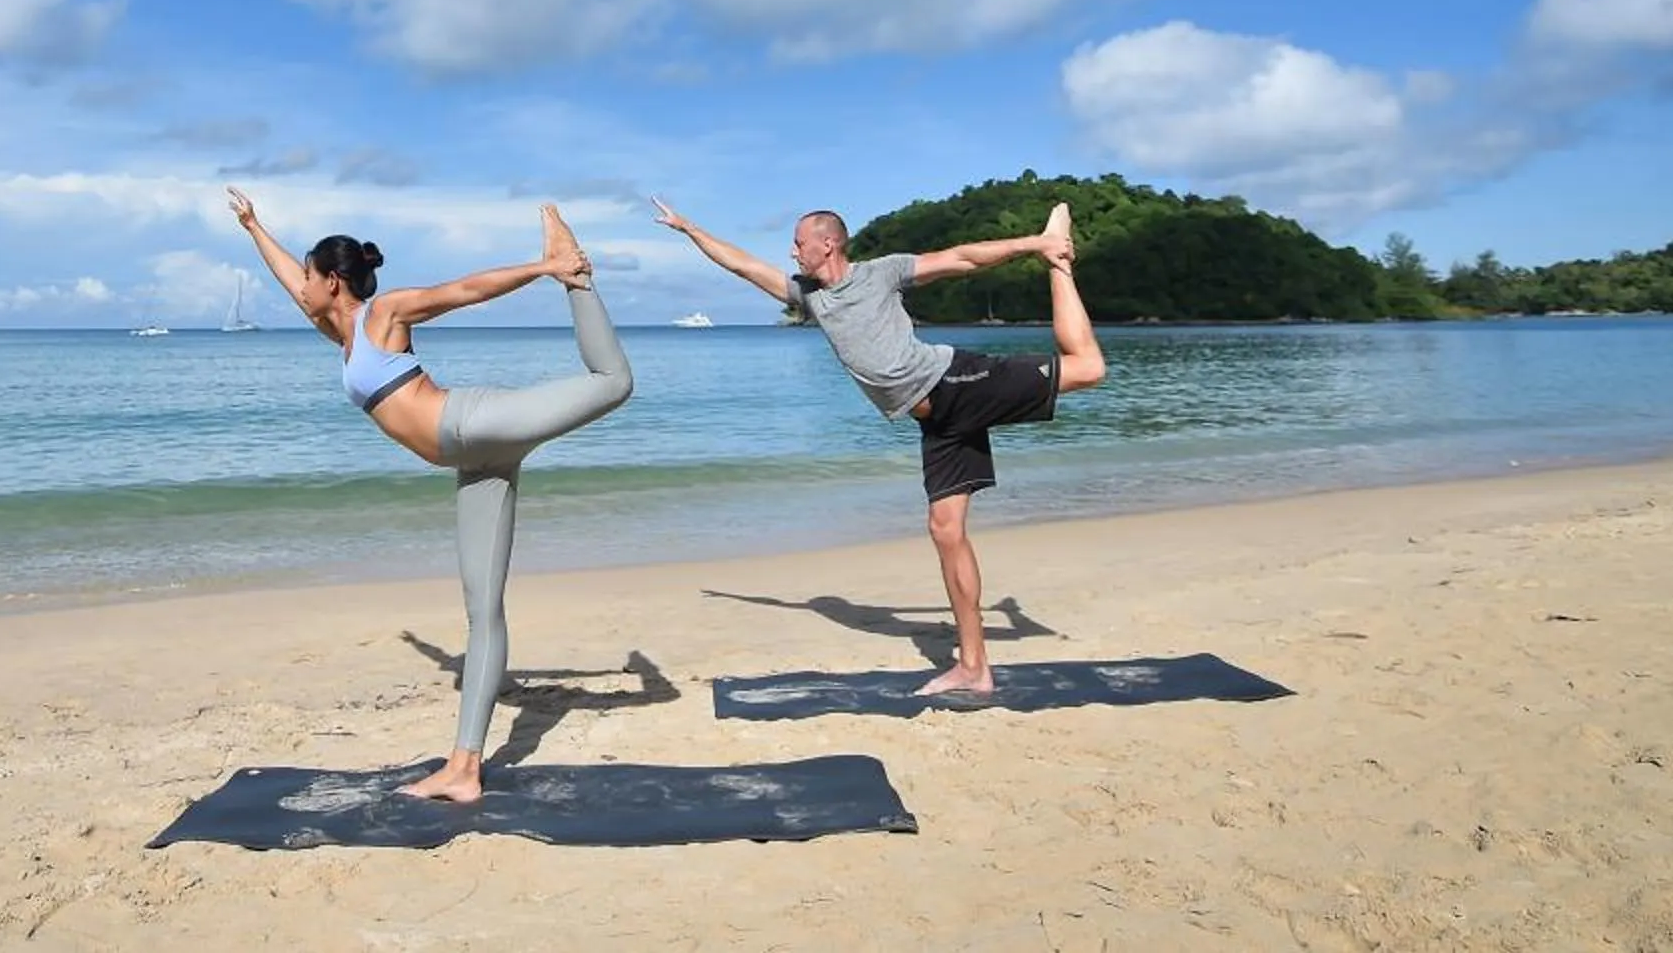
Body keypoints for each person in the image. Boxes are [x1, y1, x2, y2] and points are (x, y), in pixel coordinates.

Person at [228, 188, 633, 803]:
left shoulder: (383, 315)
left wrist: (548, 268)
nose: (299, 286)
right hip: (474, 464)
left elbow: (464, 290)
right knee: (483, 610)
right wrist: (255, 226)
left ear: (334, 281)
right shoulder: (336, 331)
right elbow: (290, 280)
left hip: (473, 423)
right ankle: (464, 769)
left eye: (310, 276)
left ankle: (575, 271)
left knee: (613, 383)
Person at [651, 195, 1102, 696]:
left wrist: (1036, 244)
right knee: (945, 531)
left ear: (828, 243)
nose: (792, 252)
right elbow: (742, 265)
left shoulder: (882, 273)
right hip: (937, 424)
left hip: (956, 381)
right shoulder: (809, 297)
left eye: (799, 243)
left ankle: (1059, 262)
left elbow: (962, 258)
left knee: (1087, 368)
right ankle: (974, 667)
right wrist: (689, 228)